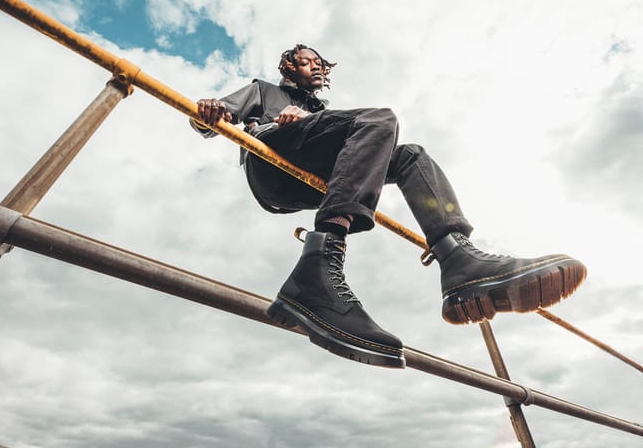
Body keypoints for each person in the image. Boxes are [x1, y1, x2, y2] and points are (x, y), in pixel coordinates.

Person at [191, 44, 586, 368]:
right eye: (307, 61)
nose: (316, 68)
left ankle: (458, 259)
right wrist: (212, 115)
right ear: (289, 66)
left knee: (410, 155)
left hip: (314, 176)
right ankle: (319, 265)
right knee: (380, 119)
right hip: (271, 163)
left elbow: (349, 146)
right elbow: (213, 118)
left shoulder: (322, 113)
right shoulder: (264, 91)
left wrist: (311, 122)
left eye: (320, 65)